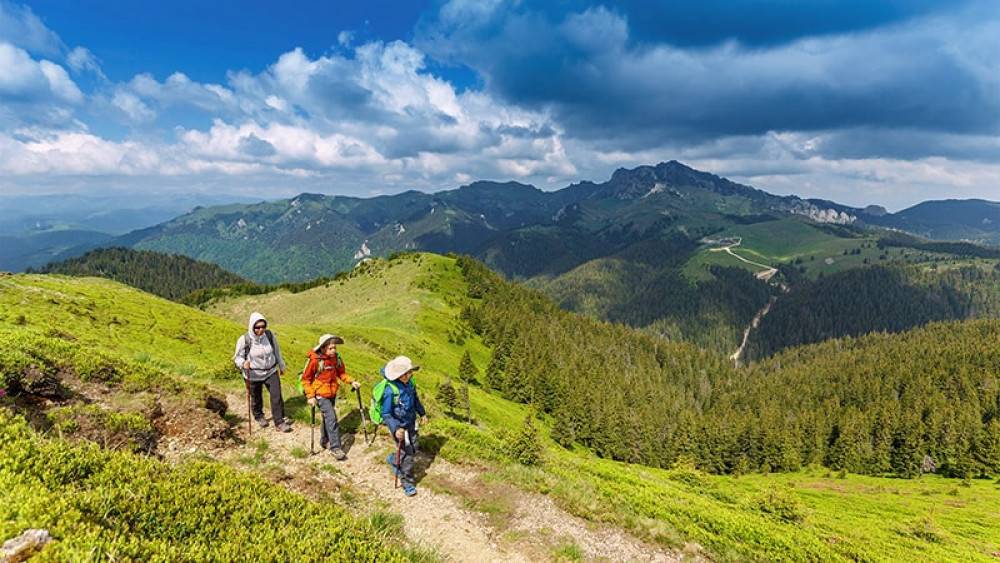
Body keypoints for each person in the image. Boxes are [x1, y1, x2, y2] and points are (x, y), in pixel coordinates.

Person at [302, 334, 361, 460]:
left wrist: (352, 381)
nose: (333, 350)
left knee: (327, 418)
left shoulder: (336, 359)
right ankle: (335, 448)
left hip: (332, 392)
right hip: (319, 394)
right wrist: (310, 396)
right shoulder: (315, 361)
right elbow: (306, 380)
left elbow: (341, 373)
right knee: (332, 418)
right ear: (323, 348)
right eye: (330, 348)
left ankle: (324, 441)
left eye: (335, 348)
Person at [233, 312, 291, 432]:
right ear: (251, 327)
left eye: (263, 326)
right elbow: (237, 357)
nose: (261, 329)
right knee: (256, 397)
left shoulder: (269, 336)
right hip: (253, 374)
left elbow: (277, 351)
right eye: (257, 327)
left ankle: (279, 421)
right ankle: (259, 416)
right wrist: (243, 363)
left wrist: (281, 365)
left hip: (271, 371)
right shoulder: (245, 339)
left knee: (276, 395)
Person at [380, 355, 427, 497]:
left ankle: (394, 459)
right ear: (399, 375)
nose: (410, 374)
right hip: (400, 428)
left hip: (411, 423)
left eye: (410, 372)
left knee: (414, 447)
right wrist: (396, 429)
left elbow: (415, 400)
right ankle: (407, 482)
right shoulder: (390, 391)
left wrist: (422, 413)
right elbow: (386, 413)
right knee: (408, 454)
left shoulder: (410, 384)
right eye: (407, 373)